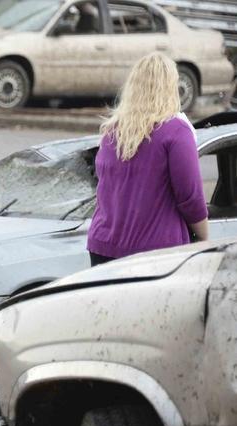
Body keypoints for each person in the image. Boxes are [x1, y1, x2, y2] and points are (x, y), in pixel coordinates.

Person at [87, 52, 209, 266]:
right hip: (155, 252)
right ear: (170, 87)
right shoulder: (176, 131)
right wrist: (205, 239)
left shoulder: (111, 132)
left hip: (102, 247)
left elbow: (106, 189)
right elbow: (190, 197)